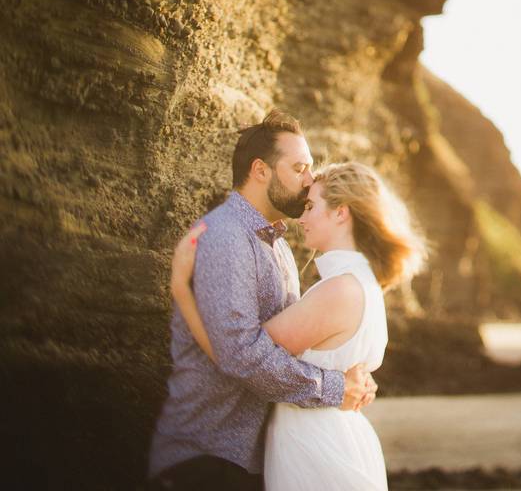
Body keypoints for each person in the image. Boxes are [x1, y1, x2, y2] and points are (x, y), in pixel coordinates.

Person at [147, 110, 378, 490]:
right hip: (206, 454)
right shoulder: (226, 237)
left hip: (246, 458)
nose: (309, 181)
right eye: (300, 168)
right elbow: (240, 353)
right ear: (260, 170)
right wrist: (335, 388)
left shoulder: (279, 247)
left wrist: (355, 376)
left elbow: (291, 344)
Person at [170, 160, 425, 490]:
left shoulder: (340, 289)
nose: (301, 218)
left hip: (314, 445)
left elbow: (243, 353)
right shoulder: (363, 283)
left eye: (310, 206)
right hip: (336, 437)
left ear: (341, 212)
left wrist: (183, 289)